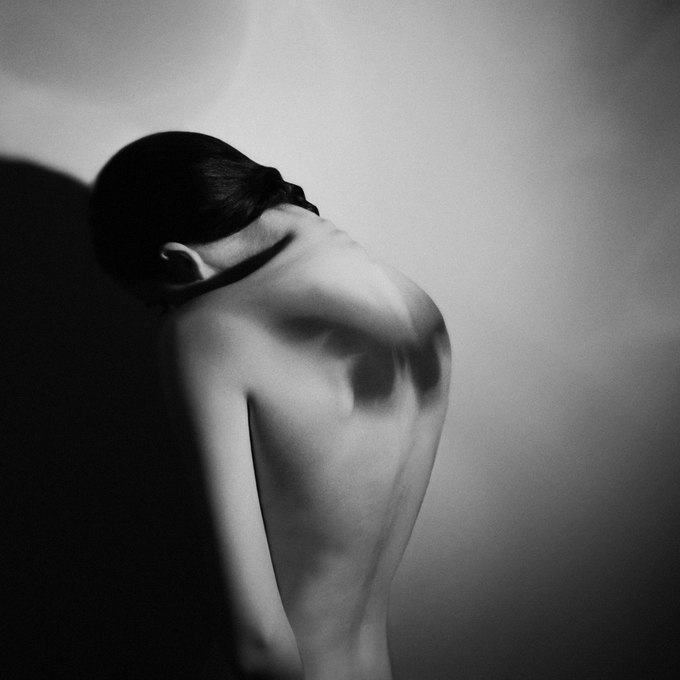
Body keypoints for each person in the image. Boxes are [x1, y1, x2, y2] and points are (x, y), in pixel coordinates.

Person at [89, 131, 451, 680]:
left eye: (160, 302)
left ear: (178, 262)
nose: (171, 314)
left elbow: (257, 640)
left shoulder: (211, 330)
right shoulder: (417, 307)